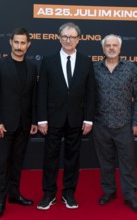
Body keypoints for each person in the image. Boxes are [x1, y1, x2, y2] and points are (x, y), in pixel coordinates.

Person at [36, 22, 96, 210]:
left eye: (72, 37)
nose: (68, 40)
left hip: (77, 119)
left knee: (73, 158)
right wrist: (42, 119)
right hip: (53, 118)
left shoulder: (87, 61)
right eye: (64, 36)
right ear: (59, 38)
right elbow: (42, 91)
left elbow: (91, 92)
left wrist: (88, 119)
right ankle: (48, 194)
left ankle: (69, 193)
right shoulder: (48, 60)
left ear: (78, 39)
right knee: (50, 157)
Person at [0, 27, 38, 217]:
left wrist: (32, 121)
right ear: (10, 42)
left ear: (28, 45)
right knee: (3, 164)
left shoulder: (32, 68)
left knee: (17, 163)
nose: (19, 46)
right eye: (16, 42)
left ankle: (14, 195)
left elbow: (32, 97)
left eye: (23, 43)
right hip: (4, 125)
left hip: (23, 125)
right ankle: (0, 201)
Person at [93, 34, 137, 213]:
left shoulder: (130, 68)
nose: (111, 48)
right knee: (105, 162)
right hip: (101, 124)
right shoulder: (94, 69)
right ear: (103, 48)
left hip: (124, 125)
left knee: (127, 163)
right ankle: (109, 191)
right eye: (108, 45)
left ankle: (130, 196)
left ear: (120, 48)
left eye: (115, 45)